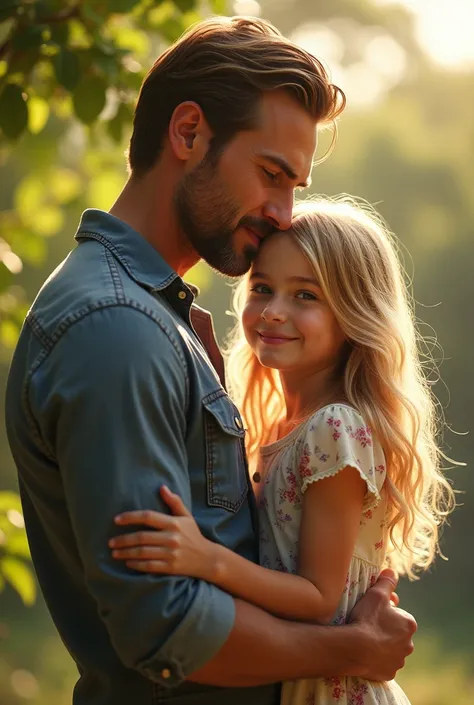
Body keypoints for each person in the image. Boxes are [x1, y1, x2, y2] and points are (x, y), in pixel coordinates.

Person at [5, 15, 416, 705]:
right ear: (188, 134)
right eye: (271, 174)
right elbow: (167, 629)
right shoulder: (116, 328)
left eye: (297, 187)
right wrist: (353, 648)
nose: (286, 214)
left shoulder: (156, 314)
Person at [109, 197, 455, 705]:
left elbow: (318, 600)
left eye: (306, 296)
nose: (273, 311)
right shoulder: (287, 427)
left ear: (354, 313)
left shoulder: (334, 429)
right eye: (263, 288)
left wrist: (205, 559)